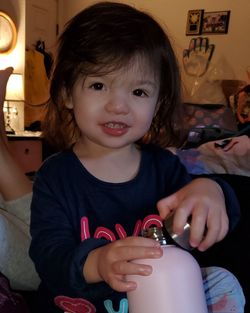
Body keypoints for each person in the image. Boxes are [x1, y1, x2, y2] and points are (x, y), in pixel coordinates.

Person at [29, 2, 244, 313]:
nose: (119, 106)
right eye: (99, 85)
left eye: (139, 92)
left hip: (164, 299)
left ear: (158, 103)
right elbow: (49, 256)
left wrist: (212, 192)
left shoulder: (165, 167)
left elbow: (209, 223)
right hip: (82, 305)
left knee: (222, 281)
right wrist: (97, 263)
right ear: (66, 93)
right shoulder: (55, 177)